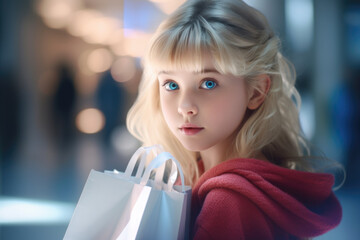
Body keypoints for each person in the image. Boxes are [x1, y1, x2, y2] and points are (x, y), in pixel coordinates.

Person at [126, 0, 342, 239]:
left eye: (208, 83)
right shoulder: (213, 181)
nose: (185, 106)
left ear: (256, 92)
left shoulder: (228, 202)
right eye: (171, 84)